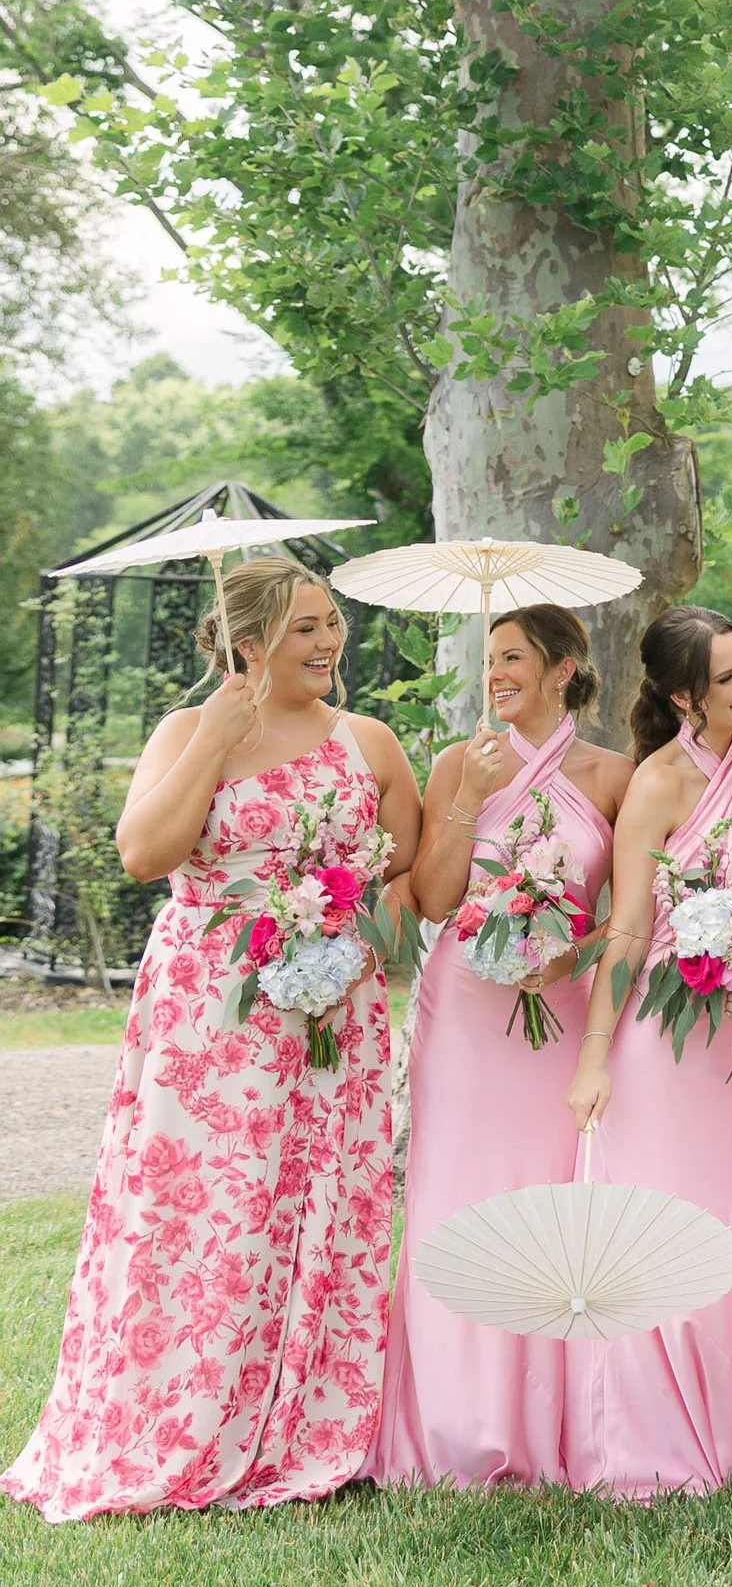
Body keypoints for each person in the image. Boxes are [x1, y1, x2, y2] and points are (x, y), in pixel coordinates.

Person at [5, 561, 419, 1524]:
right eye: (306, 628)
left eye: (333, 625)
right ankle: (176, 1421)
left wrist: (345, 930)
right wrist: (214, 743)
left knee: (319, 1206)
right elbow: (145, 853)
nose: (329, 643)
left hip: (331, 1015)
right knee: (201, 1213)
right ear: (247, 643)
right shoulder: (188, 731)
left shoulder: (369, 740)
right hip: (209, 1014)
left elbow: (406, 875)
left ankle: (315, 1423)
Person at [375, 601, 631, 1489]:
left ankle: (542, 1421)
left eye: (514, 657)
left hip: (555, 1015)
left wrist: (571, 953)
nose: (497, 675)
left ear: (564, 669)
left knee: (543, 1199)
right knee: (454, 1197)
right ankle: (450, 1424)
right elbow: (436, 899)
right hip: (465, 1016)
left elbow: (630, 916)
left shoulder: (611, 775)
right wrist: (471, 801)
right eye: (490, 660)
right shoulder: (458, 763)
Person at [563, 608, 732, 1497]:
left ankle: (720, 1436)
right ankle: (643, 1449)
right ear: (685, 696)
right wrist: (595, 1056)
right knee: (657, 1224)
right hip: (658, 1037)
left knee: (729, 1229)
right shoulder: (657, 783)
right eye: (726, 678)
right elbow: (623, 933)